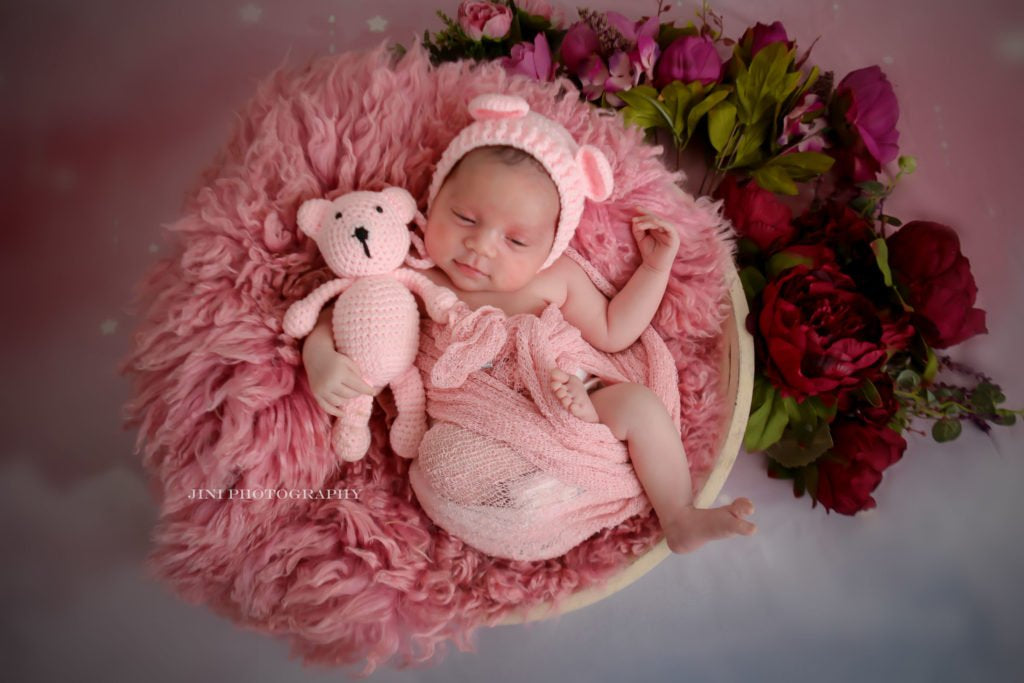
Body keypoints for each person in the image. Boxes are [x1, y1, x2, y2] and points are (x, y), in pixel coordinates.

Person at [300, 93, 756, 555]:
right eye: (464, 217)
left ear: (549, 247)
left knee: (639, 405)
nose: (480, 245)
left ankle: (677, 513)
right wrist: (320, 356)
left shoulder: (554, 278)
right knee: (442, 461)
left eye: (516, 240)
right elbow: (347, 317)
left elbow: (616, 330)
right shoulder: (411, 276)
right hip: (480, 432)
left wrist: (653, 270)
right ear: (433, 201)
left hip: (581, 411)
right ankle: (527, 498)